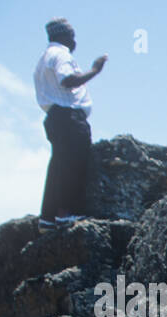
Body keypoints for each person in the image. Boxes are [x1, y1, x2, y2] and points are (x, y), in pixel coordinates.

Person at [34, 18, 106, 228]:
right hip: (69, 117)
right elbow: (68, 80)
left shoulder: (44, 58)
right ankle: (67, 213)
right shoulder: (60, 54)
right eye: (72, 36)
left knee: (58, 165)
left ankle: (48, 217)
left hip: (55, 118)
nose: (74, 41)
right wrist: (95, 69)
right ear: (64, 36)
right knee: (73, 164)